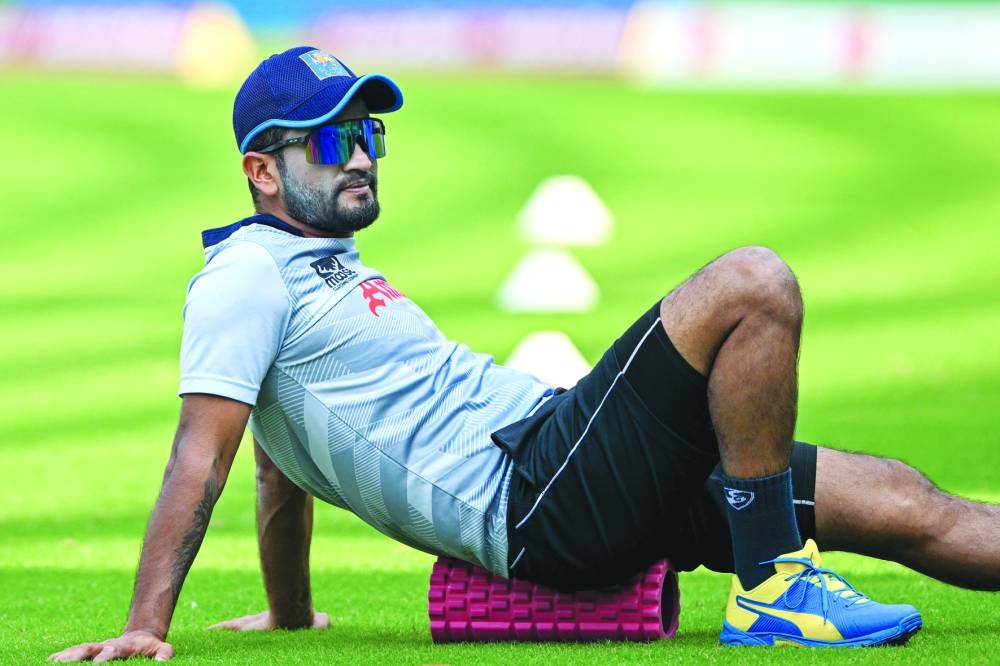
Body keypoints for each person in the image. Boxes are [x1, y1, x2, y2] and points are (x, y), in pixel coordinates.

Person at [50, 46, 998, 662]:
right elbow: (201, 456)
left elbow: (275, 471)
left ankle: (775, 564)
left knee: (904, 500)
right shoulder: (245, 278)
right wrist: (145, 626)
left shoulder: (319, 269)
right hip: (539, 494)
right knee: (751, 284)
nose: (362, 156)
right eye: (332, 139)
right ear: (261, 169)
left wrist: (291, 615)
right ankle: (774, 587)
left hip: (566, 459)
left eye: (368, 133)